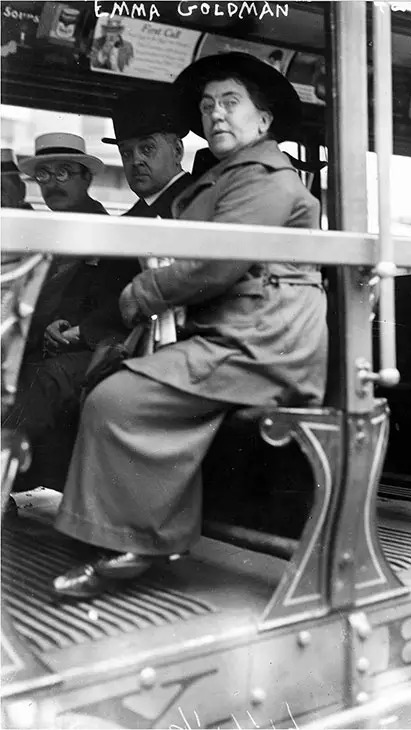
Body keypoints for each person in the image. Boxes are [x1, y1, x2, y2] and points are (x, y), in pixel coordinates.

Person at [52, 52, 328, 600]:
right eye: (207, 106)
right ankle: (125, 531)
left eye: (230, 103)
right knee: (110, 379)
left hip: (264, 339)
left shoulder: (264, 176)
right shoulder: (228, 177)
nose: (216, 115)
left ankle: (133, 543)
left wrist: (138, 295)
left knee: (119, 398)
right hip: (236, 331)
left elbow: (212, 264)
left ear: (263, 121)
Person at [6, 134, 137, 491]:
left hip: (87, 350)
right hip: (36, 347)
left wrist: (77, 330)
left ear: (87, 178)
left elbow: (124, 303)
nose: (52, 184)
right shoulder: (42, 235)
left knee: (38, 381)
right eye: (44, 175)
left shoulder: (112, 234)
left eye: (63, 173)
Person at [102, 87, 192, 219]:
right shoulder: (134, 216)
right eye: (126, 153)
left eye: (147, 148)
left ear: (177, 151)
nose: (135, 161)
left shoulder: (199, 204)